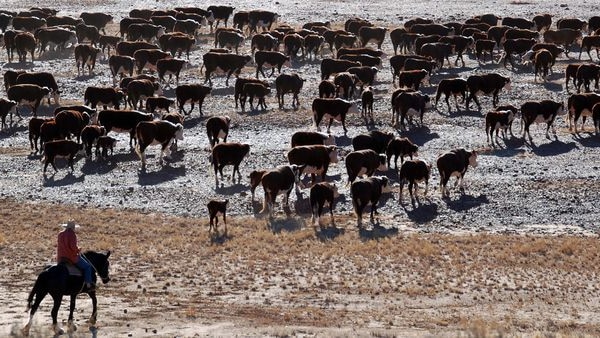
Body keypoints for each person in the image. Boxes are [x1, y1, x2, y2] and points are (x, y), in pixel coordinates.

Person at [57, 220, 95, 290]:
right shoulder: (72, 235)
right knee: (87, 267)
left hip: (61, 257)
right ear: (73, 228)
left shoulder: (60, 234)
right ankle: (88, 285)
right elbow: (73, 247)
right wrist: (79, 249)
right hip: (71, 257)